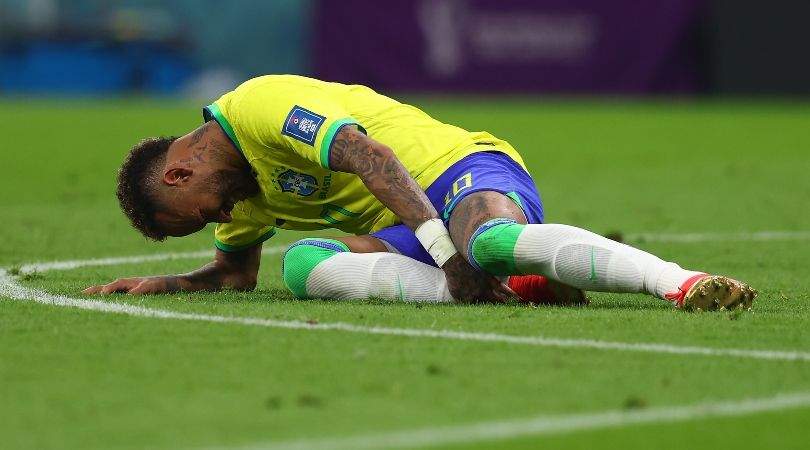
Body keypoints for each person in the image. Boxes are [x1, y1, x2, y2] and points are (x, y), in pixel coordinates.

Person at [82, 75, 757, 310]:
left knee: (486, 243)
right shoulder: (240, 194)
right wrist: (166, 282)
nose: (223, 219)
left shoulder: (258, 105)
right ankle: (509, 287)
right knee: (302, 265)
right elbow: (235, 276)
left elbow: (370, 156)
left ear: (179, 173)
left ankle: (682, 282)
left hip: (457, 171)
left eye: (201, 214)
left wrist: (449, 251)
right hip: (419, 233)